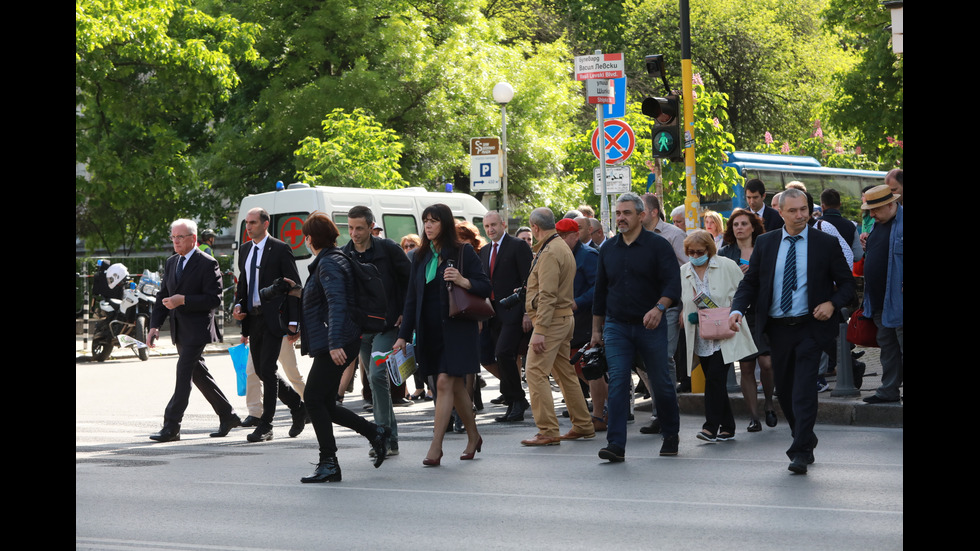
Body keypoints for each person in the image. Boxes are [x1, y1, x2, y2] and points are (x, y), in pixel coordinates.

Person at [729, 188, 855, 474]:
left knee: (803, 391)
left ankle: (799, 450)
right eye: (794, 211)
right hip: (777, 329)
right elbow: (751, 284)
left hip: (811, 327)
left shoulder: (825, 243)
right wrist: (737, 309)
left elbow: (848, 285)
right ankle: (805, 437)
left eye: (804, 209)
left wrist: (831, 304)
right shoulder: (766, 242)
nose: (800, 215)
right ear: (781, 213)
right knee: (785, 392)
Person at [294, 213, 391, 483]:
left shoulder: (330, 264)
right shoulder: (331, 260)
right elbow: (325, 300)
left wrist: (335, 342)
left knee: (313, 399)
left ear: (310, 238)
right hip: (336, 339)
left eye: (305, 236)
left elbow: (338, 303)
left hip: (337, 341)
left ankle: (329, 462)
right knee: (325, 403)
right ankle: (375, 433)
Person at [393, 204, 491, 466]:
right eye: (426, 221)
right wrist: (403, 336)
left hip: (457, 330)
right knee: (455, 387)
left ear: (444, 224)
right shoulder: (419, 255)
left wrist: (462, 280)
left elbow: (484, 286)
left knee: (445, 384)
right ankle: (473, 435)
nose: (428, 226)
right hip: (429, 330)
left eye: (434, 221)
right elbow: (411, 300)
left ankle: (436, 446)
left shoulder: (462, 251)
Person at [592, 192, 682, 461]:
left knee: (661, 382)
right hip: (617, 327)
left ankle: (671, 433)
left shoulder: (658, 246)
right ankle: (616, 445)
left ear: (642, 215)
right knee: (619, 381)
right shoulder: (607, 249)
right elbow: (600, 292)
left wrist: (660, 308)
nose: (621, 218)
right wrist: (597, 330)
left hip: (651, 325)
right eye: (618, 213)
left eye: (627, 213)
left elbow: (673, 285)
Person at [147, 219, 241, 442]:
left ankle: (171, 426)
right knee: (199, 374)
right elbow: (162, 297)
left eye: (180, 237)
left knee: (183, 374)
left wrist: (184, 300)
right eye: (173, 237)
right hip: (180, 329)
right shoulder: (171, 263)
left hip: (198, 330)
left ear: (193, 238)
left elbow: (214, 299)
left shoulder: (207, 263)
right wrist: (154, 326)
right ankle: (228, 415)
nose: (176, 241)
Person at [519, 212, 595, 446]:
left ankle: (548, 430)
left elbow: (549, 294)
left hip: (551, 322)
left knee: (534, 372)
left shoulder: (550, 251)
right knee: (564, 373)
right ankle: (583, 424)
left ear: (534, 227)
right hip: (561, 319)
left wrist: (539, 329)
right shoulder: (559, 246)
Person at [232, 207, 306, 442]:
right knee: (264, 372)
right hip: (253, 318)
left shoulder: (280, 249)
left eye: (253, 222)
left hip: (275, 318)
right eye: (247, 222)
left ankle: (266, 425)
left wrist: (295, 323)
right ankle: (297, 406)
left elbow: (295, 287)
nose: (248, 227)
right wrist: (238, 305)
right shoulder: (245, 249)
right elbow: (243, 282)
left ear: (265, 224)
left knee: (268, 369)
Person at [343, 205, 412, 456]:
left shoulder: (389, 249)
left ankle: (382, 436)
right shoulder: (345, 253)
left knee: (376, 375)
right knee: (375, 382)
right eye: (350, 228)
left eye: (359, 228)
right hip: (362, 329)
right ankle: (390, 438)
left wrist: (405, 313)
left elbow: (410, 281)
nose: (354, 233)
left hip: (387, 325)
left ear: (371, 227)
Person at [680, 230, 757, 443]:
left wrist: (735, 310)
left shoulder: (726, 266)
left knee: (715, 378)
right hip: (701, 334)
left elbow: (746, 291)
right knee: (714, 381)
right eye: (691, 252)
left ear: (709, 250)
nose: (695, 256)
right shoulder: (684, 271)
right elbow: (684, 299)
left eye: (699, 251)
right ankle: (728, 426)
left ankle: (710, 426)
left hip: (725, 331)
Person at [718, 208, 775, 432]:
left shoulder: (764, 248)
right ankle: (754, 416)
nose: (739, 228)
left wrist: (754, 273)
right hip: (739, 314)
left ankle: (769, 402)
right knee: (747, 366)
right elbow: (719, 283)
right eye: (735, 225)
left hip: (765, 313)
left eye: (744, 224)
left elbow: (773, 277)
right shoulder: (725, 253)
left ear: (753, 227)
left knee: (767, 363)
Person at [478, 211, 533, 423]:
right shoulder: (483, 251)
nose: (490, 229)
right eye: (487, 226)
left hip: (514, 310)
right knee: (497, 355)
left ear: (503, 224)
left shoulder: (517, 246)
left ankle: (517, 399)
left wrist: (527, 312)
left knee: (504, 352)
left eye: (494, 225)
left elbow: (528, 281)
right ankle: (513, 401)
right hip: (492, 313)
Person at [639, 193, 687, 434]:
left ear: (654, 212)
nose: (637, 213)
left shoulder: (674, 235)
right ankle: (664, 411)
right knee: (648, 360)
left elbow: (689, 271)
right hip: (643, 308)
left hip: (668, 307)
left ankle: (665, 414)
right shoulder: (634, 237)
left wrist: (685, 306)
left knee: (664, 359)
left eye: (641, 209)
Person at [557, 218, 606, 432]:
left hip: (587, 320)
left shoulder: (588, 256)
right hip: (568, 321)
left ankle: (600, 414)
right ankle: (602, 408)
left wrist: (578, 302)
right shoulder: (560, 255)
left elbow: (599, 288)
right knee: (573, 365)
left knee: (590, 367)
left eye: (563, 236)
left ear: (575, 236)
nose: (558, 240)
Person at [860, 185, 903, 404]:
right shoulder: (878, 225)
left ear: (890, 204)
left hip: (899, 300)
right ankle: (889, 390)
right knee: (888, 347)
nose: (872, 215)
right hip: (879, 301)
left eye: (876, 210)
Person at [240, 338, 306, 429]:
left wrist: (294, 326)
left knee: (293, 374)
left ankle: (311, 406)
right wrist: (245, 332)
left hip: (281, 333)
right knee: (252, 372)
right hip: (258, 333)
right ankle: (254, 413)